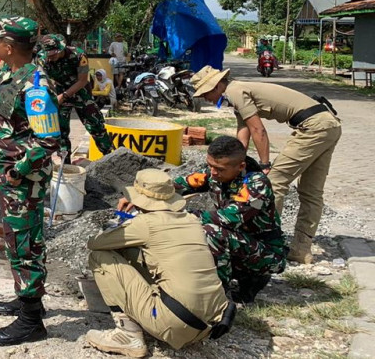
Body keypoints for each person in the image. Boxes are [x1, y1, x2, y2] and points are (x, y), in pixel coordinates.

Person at [191, 65, 341, 264]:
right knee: (311, 192)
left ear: (217, 85)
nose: (205, 98)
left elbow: (258, 130)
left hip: (313, 127)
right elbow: (243, 132)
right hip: (328, 124)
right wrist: (238, 162)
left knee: (273, 183)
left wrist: (264, 165)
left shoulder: (235, 91)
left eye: (206, 93)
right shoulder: (237, 93)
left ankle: (268, 245)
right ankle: (301, 249)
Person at [87, 170, 231, 357]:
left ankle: (128, 334)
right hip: (209, 325)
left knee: (99, 257)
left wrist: (119, 219)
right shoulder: (191, 220)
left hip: (174, 324)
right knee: (135, 253)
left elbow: (95, 243)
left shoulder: (145, 224)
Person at [0, 17, 59, 346]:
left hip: (23, 180)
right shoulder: (12, 71)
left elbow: (48, 141)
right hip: (13, 177)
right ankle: (27, 301)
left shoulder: (35, 86)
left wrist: (17, 171)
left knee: (25, 244)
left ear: (9, 47)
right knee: (19, 241)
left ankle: (31, 322)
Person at [172, 135, 286, 303]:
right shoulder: (215, 174)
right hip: (237, 244)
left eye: (219, 169)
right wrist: (146, 194)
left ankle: (217, 297)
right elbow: (179, 184)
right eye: (210, 165)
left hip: (267, 253)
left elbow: (230, 218)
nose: (212, 172)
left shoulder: (256, 184)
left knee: (209, 232)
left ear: (241, 166)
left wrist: (185, 215)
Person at [39, 34, 114, 156]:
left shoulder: (79, 55)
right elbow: (44, 79)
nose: (51, 58)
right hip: (59, 91)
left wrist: (64, 96)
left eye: (53, 55)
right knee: (60, 131)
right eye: (48, 55)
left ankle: (110, 156)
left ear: (61, 49)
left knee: (95, 125)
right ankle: (65, 162)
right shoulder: (42, 58)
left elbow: (83, 80)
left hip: (81, 91)